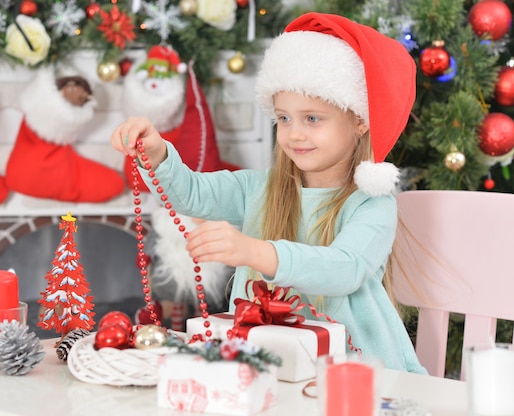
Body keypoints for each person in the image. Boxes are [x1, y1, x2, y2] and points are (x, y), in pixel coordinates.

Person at [110, 12, 426, 374]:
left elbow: (345, 269)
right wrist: (157, 154)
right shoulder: (259, 188)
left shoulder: (371, 202)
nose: (294, 134)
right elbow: (192, 194)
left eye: (312, 118)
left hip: (353, 373)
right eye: (284, 119)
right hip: (268, 366)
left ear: (359, 119)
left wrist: (256, 252)